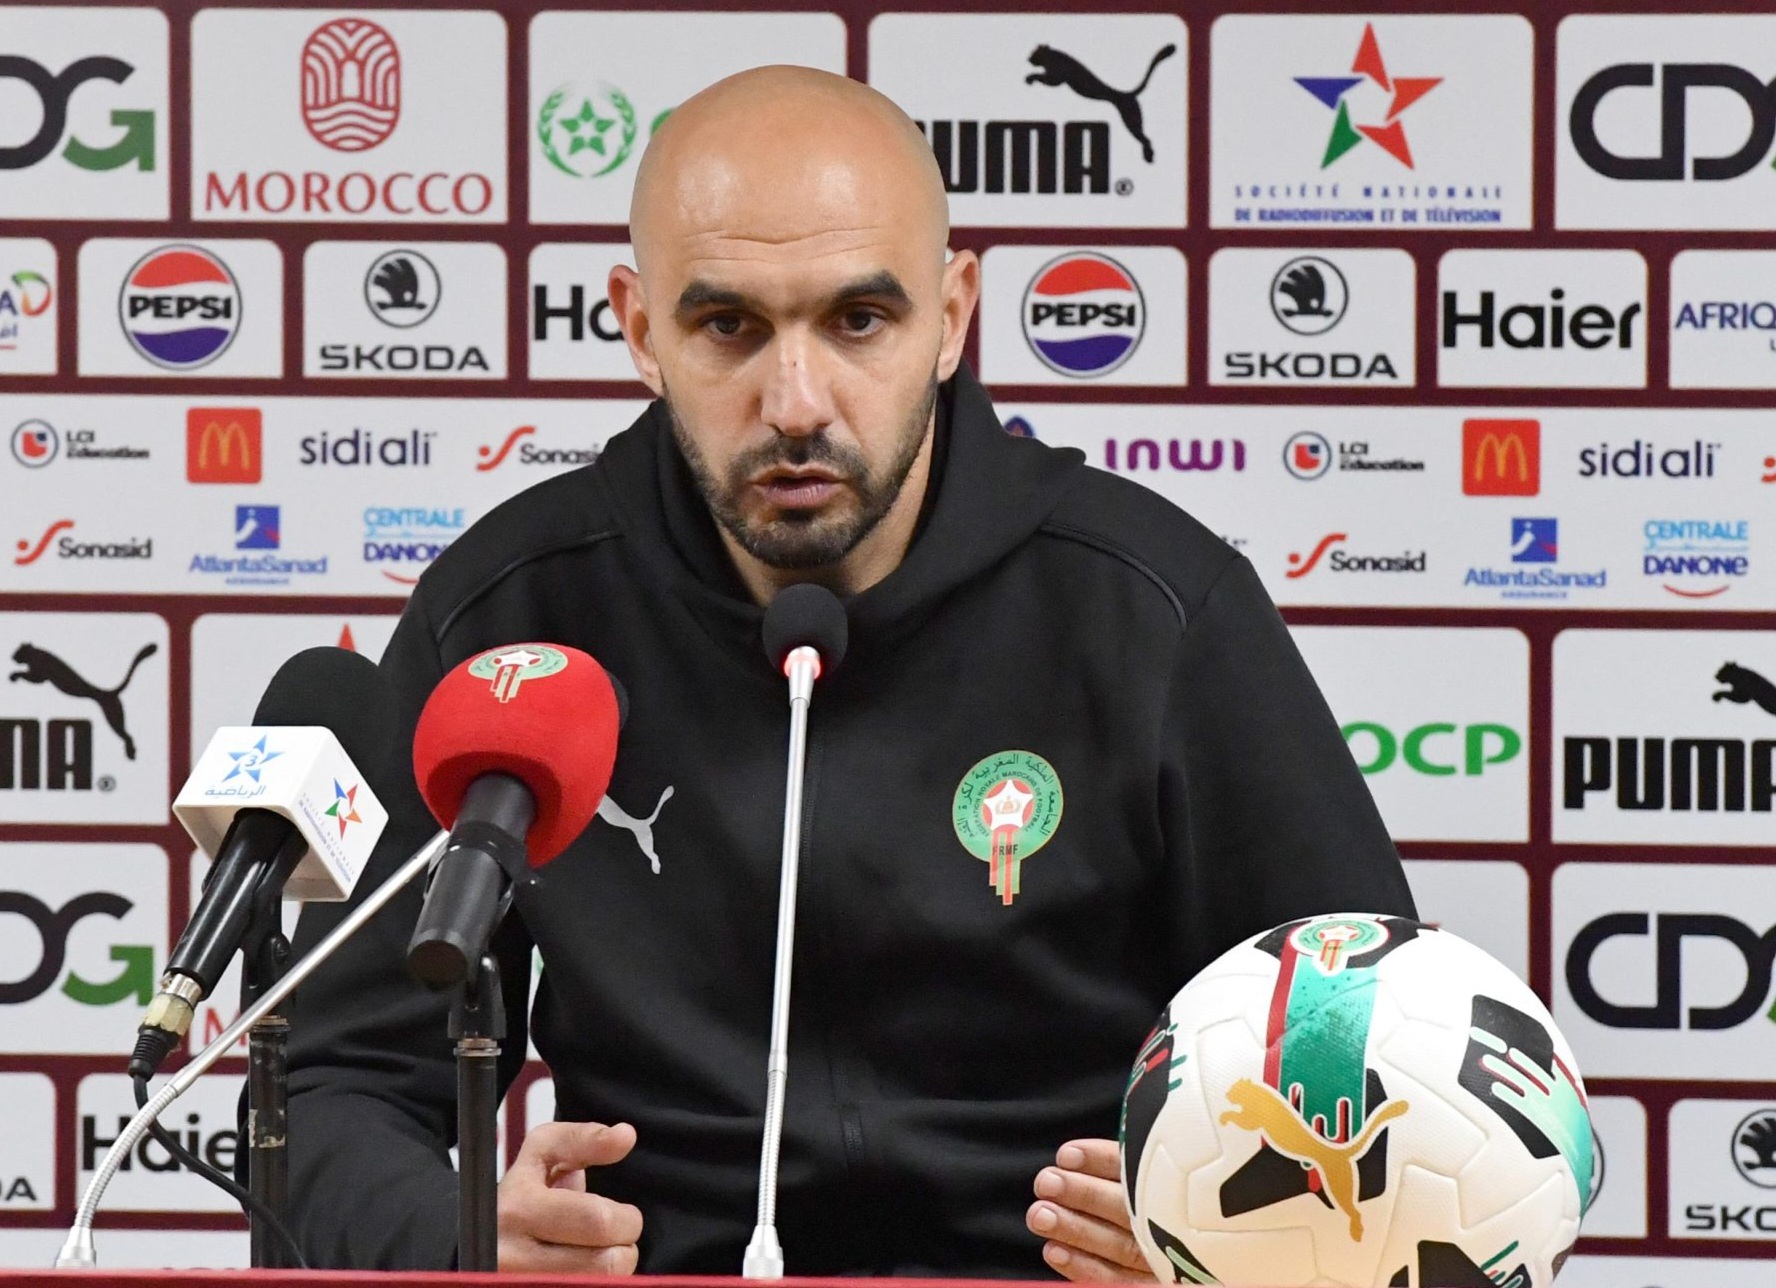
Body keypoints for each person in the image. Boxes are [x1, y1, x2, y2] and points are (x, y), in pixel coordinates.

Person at [279, 66, 1415, 1278]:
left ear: (953, 317)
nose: (796, 403)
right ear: (641, 330)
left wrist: (1228, 1242)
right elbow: (333, 1080)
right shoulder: (510, 620)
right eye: (729, 327)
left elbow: (1379, 1053)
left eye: (858, 321)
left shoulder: (1153, 609)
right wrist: (458, 1243)